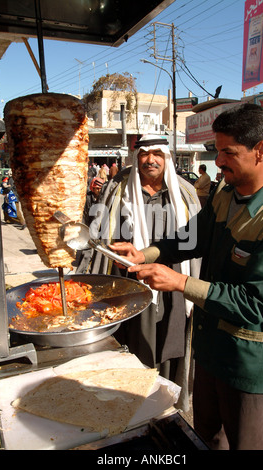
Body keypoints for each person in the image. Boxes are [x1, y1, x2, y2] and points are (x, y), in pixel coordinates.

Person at [109, 104, 263, 450]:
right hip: (207, 353)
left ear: (262, 151)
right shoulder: (225, 196)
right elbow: (190, 238)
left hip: (246, 363)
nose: (219, 161)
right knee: (205, 438)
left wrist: (180, 283)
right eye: (217, 151)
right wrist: (144, 254)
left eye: (228, 152)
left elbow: (256, 304)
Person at [77, 134, 201, 411]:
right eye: (144, 153)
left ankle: (165, 405)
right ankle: (129, 405)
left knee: (170, 342)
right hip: (129, 282)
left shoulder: (184, 192)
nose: (150, 159)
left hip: (172, 283)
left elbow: (196, 241)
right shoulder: (117, 188)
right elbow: (96, 233)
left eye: (157, 153)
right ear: (136, 156)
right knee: (133, 343)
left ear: (167, 156)